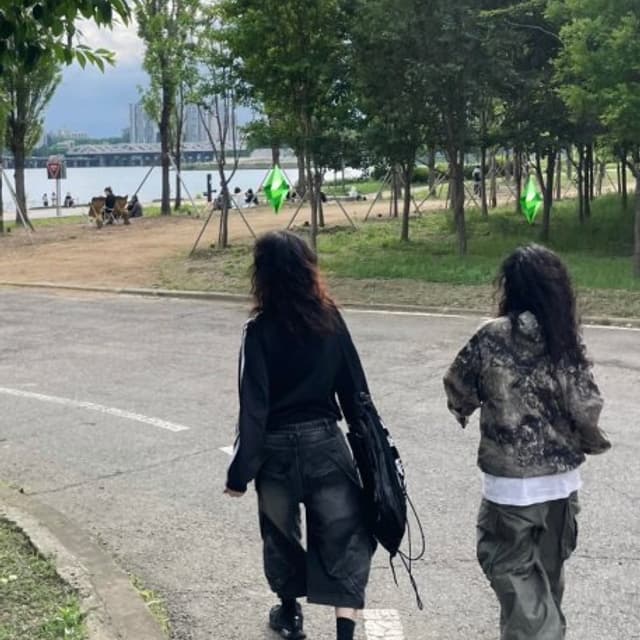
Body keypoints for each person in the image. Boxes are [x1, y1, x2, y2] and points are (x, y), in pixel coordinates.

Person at [443, 244, 611, 640]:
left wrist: (466, 407)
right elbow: (586, 406)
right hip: (560, 487)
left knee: (517, 583)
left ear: (511, 287)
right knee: (545, 587)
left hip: (509, 488)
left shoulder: (491, 337)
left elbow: (457, 385)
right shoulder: (563, 338)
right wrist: (587, 440)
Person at [225, 230, 376, 640]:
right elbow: (355, 391)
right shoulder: (330, 319)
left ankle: (290, 615)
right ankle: (344, 634)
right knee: (344, 537)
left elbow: (253, 408)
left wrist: (240, 473)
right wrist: (370, 456)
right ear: (308, 269)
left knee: (280, 536)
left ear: (262, 275)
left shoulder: (258, 331)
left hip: (275, 450)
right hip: (325, 444)